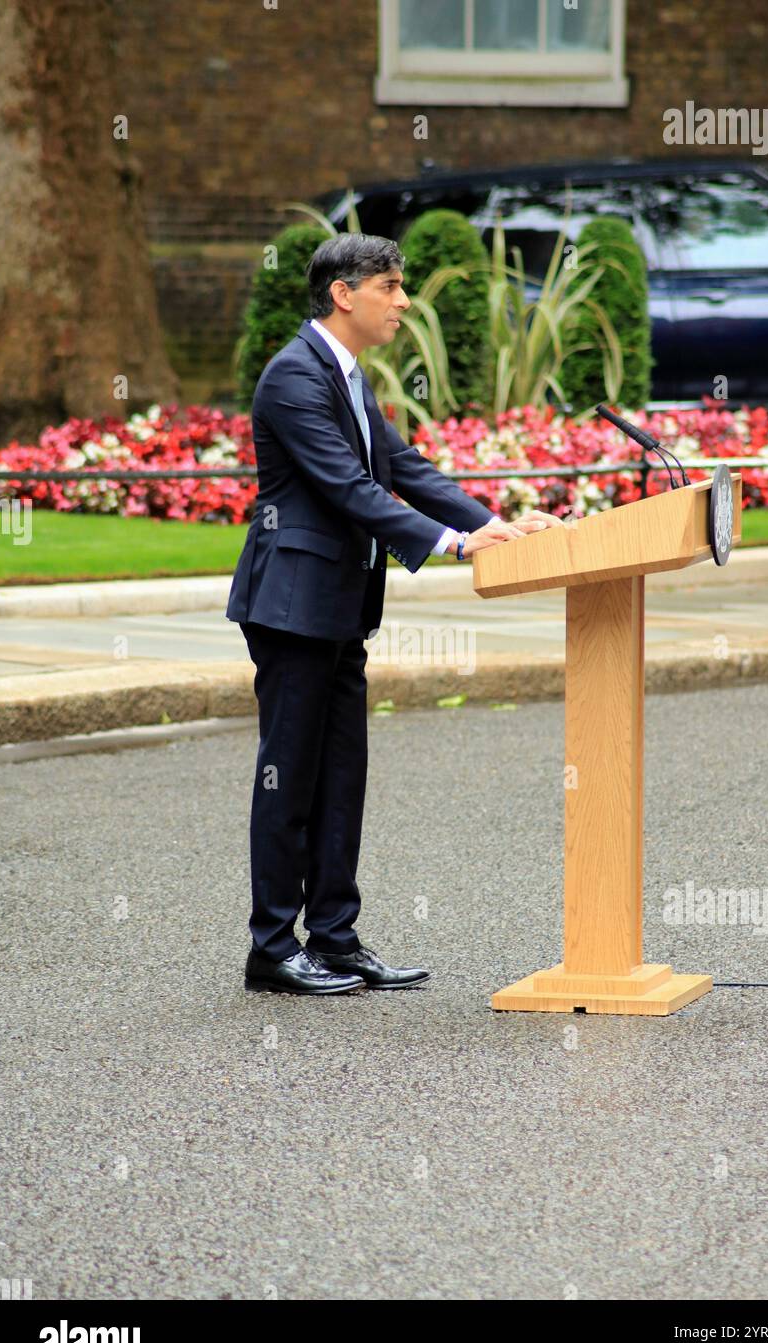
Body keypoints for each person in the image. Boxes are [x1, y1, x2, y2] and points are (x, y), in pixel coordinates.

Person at [226, 232, 560, 996]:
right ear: (344, 294)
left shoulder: (342, 374)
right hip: (291, 606)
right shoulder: (293, 377)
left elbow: (401, 467)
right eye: (391, 287)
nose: (405, 302)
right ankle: (272, 948)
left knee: (342, 774)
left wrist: (491, 524)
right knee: (289, 776)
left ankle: (335, 938)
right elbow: (349, 487)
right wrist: (451, 543)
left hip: (340, 607)